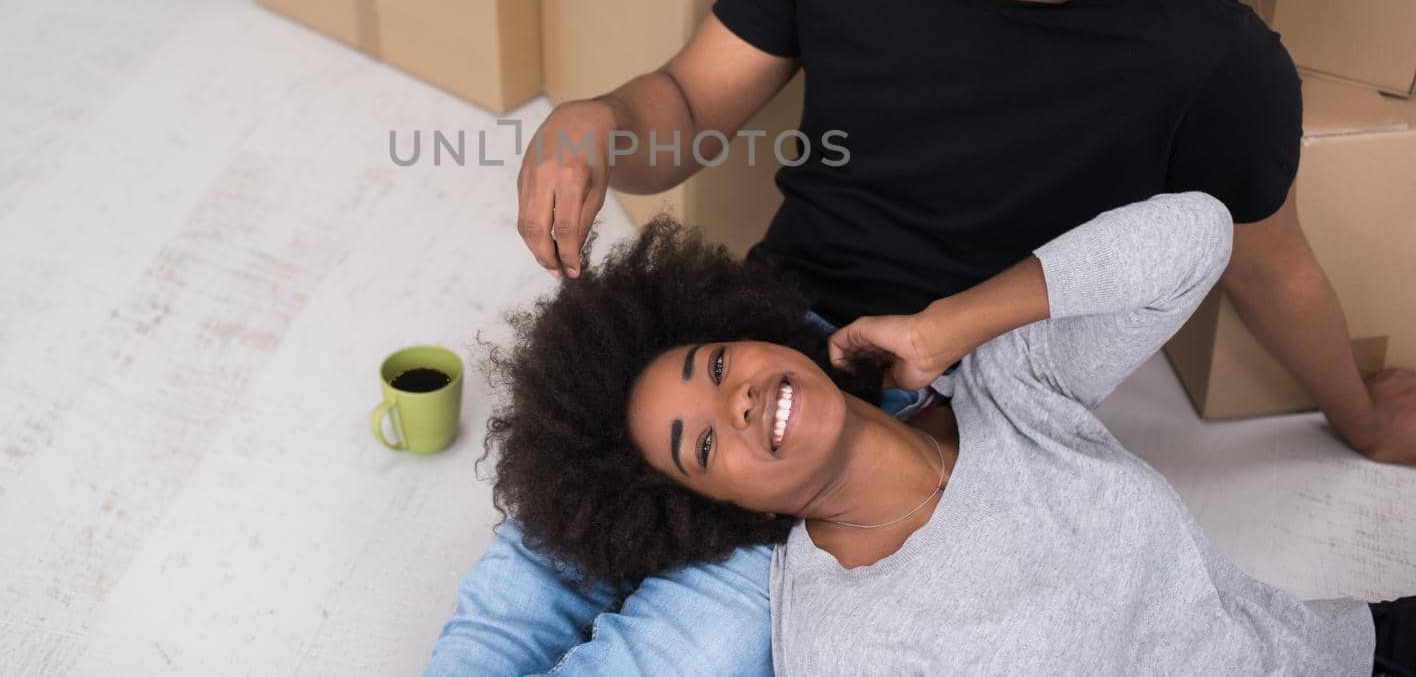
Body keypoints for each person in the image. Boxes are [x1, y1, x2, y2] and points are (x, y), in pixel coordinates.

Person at [426, 0, 1416, 675]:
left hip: (954, 411)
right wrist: (595, 122)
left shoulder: (1213, 62)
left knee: (681, 654)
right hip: (746, 339)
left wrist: (1360, 418)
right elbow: (688, 105)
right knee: (518, 595)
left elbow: (1264, 264)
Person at [483, 201, 1415, 675]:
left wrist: (948, 327)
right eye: (698, 446)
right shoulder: (842, 638)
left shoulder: (1006, 388)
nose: (734, 404)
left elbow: (1198, 233)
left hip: (1354, 646)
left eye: (719, 364)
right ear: (708, 508)